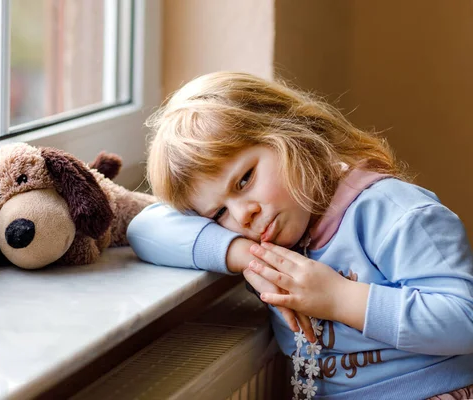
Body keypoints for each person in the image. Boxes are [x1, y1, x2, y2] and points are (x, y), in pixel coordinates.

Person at [126, 71, 473, 399]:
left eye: (244, 179)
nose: (242, 215)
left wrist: (339, 298)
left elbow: (465, 318)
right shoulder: (265, 244)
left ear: (292, 132)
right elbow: (145, 228)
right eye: (218, 213)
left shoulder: (391, 212)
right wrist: (244, 255)